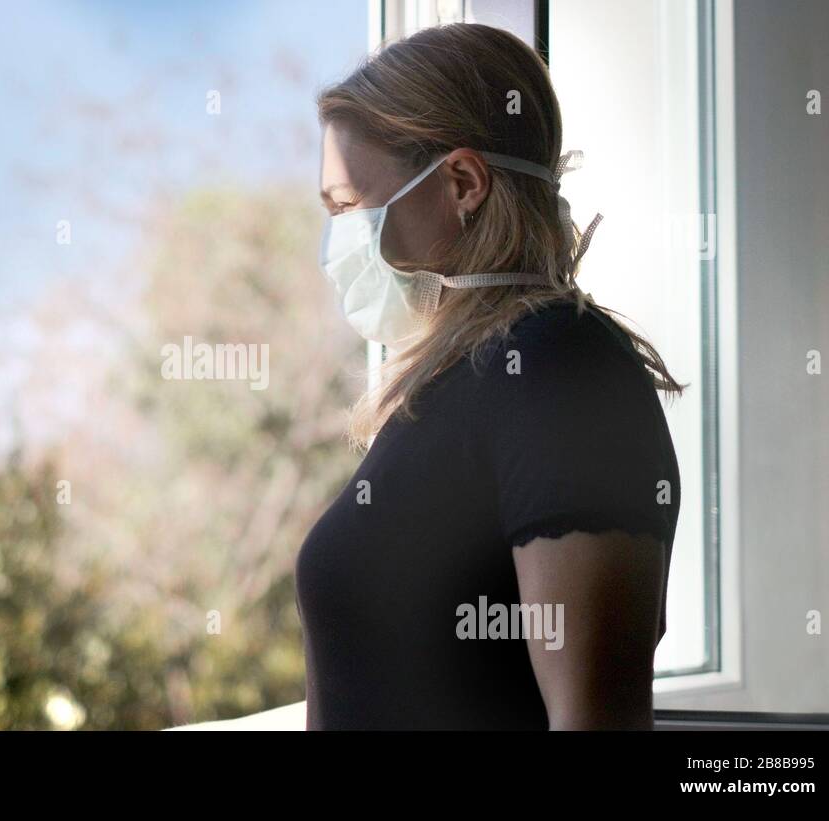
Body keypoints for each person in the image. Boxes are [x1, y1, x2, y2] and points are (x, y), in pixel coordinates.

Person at [294, 22, 683, 730]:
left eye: (348, 205)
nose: (336, 241)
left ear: (462, 182)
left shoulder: (560, 365)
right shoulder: (454, 384)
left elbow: (596, 719)